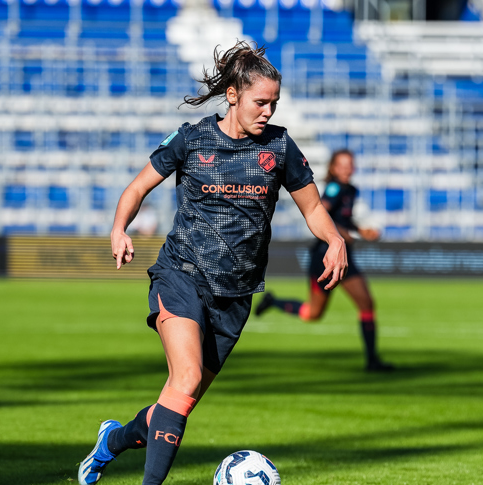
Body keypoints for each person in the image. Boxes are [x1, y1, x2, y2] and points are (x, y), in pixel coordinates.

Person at [78, 42, 348, 485]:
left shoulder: (279, 147)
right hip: (181, 275)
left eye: (274, 103)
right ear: (233, 95)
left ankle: (112, 441)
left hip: (236, 296)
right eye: (261, 102)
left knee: (177, 402)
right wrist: (119, 228)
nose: (268, 111)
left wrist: (334, 238)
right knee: (183, 380)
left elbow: (314, 210)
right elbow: (136, 188)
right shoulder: (192, 138)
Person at [255, 149, 394, 372]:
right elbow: (324, 213)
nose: (347, 169)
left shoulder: (351, 190)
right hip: (324, 256)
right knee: (313, 314)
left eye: (350, 164)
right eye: (342, 165)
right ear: (333, 168)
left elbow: (342, 219)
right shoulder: (334, 188)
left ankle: (372, 360)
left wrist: (360, 230)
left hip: (344, 256)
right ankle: (274, 302)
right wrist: (342, 234)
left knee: (365, 303)